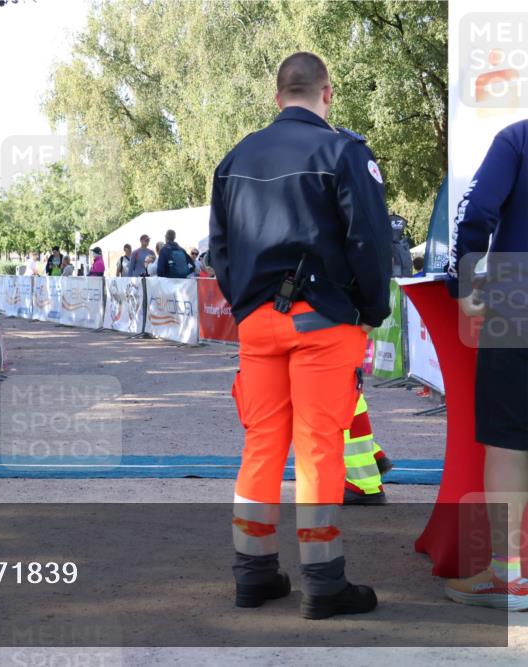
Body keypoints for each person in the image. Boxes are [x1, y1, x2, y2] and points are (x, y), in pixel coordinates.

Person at [210, 52, 390, 619]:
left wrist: (249, 304)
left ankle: (254, 574)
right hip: (323, 321)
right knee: (319, 449)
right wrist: (370, 309)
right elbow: (369, 241)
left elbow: (220, 249)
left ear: (276, 96)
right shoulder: (344, 152)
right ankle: (323, 582)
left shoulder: (235, 159)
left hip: (258, 324)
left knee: (261, 445)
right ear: (327, 93)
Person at [444, 119, 528, 611]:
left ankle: (508, 575)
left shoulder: (516, 139)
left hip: (518, 292)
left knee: (509, 438)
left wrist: (464, 285)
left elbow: (474, 211)